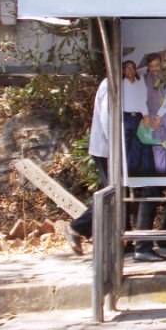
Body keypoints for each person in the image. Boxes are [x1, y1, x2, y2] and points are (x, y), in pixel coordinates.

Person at [133, 52, 166, 261]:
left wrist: (161, 115)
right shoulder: (141, 78)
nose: (155, 69)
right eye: (152, 66)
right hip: (150, 117)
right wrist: (149, 117)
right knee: (157, 152)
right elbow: (137, 76)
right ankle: (143, 246)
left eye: (158, 65)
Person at [58, 78, 109, 255]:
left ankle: (122, 242)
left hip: (111, 149)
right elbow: (107, 121)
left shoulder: (120, 82)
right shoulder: (111, 85)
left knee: (119, 193)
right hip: (107, 150)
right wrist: (118, 148)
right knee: (114, 193)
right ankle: (77, 228)